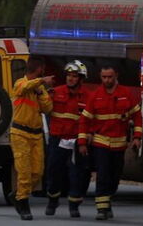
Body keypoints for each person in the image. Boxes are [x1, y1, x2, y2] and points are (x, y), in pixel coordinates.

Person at [77, 64, 142, 221]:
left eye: (109, 77)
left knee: (114, 177)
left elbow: (137, 116)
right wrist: (82, 142)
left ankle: (108, 200)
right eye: (104, 77)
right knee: (103, 175)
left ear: (116, 76)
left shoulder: (126, 94)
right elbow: (84, 120)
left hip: (119, 145)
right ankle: (102, 208)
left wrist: (137, 137)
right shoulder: (95, 95)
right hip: (101, 143)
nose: (107, 80)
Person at [45, 60, 92, 217]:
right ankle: (53, 200)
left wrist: (88, 135)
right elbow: (43, 108)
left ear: (81, 79)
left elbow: (92, 119)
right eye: (68, 75)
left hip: (77, 140)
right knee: (53, 170)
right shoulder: (55, 92)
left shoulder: (88, 97)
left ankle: (74, 205)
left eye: (74, 76)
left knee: (77, 174)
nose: (70, 79)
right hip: (57, 139)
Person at [10, 56, 54, 220]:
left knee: (37, 172)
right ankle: (23, 203)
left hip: (36, 134)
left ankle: (17, 194)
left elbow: (48, 108)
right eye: (42, 69)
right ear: (39, 69)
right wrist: (41, 81)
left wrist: (41, 92)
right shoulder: (20, 83)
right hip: (20, 133)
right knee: (24, 171)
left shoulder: (39, 88)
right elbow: (24, 88)